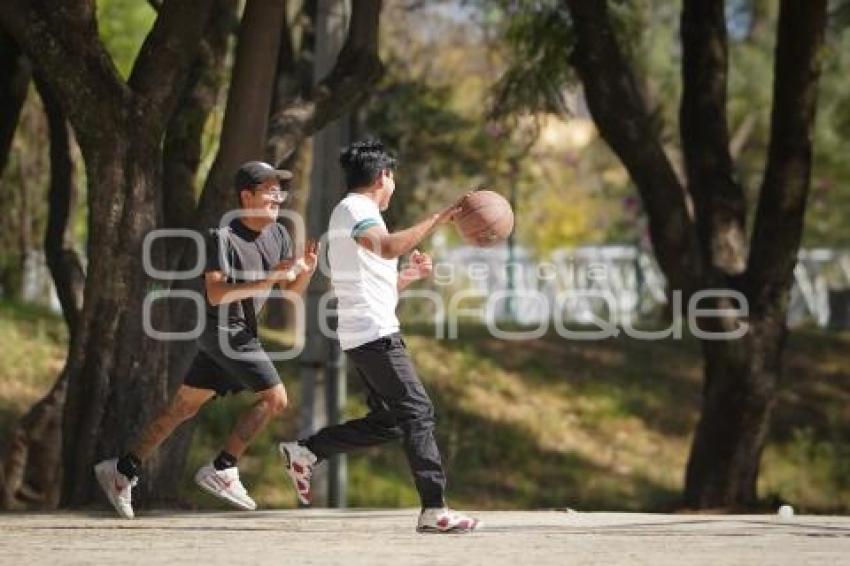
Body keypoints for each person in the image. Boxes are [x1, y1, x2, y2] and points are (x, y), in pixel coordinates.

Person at [94, 161, 318, 519]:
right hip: (224, 332)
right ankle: (223, 467)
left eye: (281, 191)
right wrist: (269, 280)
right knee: (275, 399)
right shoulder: (223, 237)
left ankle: (122, 470)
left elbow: (289, 291)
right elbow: (215, 293)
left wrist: (305, 272)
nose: (278, 197)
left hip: (238, 333)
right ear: (247, 196)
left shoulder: (279, 236)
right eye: (270, 191)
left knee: (182, 408)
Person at [278, 140, 480, 533]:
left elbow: (369, 282)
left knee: (391, 421)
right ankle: (434, 509)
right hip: (375, 335)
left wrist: (408, 277)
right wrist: (439, 218)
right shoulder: (356, 209)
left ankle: (307, 451)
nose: (394, 185)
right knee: (418, 412)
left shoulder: (355, 214)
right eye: (393, 177)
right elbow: (387, 248)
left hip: (366, 332)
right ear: (383, 176)